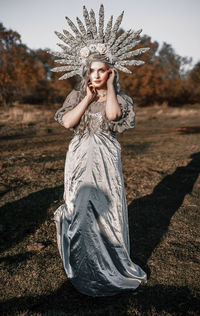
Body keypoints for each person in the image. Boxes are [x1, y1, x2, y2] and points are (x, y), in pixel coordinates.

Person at [48, 4, 150, 297]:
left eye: (101, 70)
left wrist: (112, 89)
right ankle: (83, 266)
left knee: (108, 209)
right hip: (79, 156)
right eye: (91, 70)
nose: (95, 75)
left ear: (110, 72)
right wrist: (86, 98)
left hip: (105, 155)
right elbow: (68, 123)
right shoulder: (77, 94)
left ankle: (112, 262)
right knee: (80, 208)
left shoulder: (121, 97)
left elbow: (115, 117)